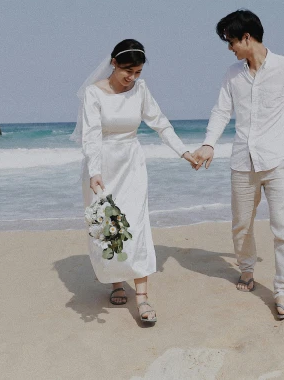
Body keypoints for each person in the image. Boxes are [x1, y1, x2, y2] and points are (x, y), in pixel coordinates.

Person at [192, 10, 284, 320]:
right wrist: (209, 143)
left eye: (231, 42)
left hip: (278, 159)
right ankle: (247, 268)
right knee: (241, 225)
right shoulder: (232, 74)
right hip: (243, 161)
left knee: (282, 228)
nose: (229, 48)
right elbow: (220, 112)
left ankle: (282, 290)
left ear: (247, 38)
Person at [72, 39, 197, 324]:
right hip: (102, 165)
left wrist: (184, 152)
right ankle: (116, 282)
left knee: (137, 226)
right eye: (128, 70)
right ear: (114, 63)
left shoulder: (140, 90)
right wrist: (94, 171)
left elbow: (160, 123)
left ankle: (141, 297)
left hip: (131, 163)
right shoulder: (94, 93)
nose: (132, 77)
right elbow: (91, 135)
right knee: (109, 228)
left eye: (138, 72)